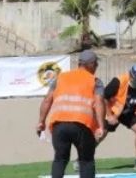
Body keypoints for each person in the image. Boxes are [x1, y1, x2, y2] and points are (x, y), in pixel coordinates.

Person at [37, 50, 108, 178]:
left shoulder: (60, 78)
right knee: (86, 160)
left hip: (59, 125)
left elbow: (47, 100)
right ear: (90, 64)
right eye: (96, 64)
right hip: (82, 125)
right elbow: (99, 103)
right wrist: (101, 126)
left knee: (60, 159)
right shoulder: (95, 81)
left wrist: (41, 122)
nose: (97, 66)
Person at [103, 64, 136, 173]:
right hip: (114, 110)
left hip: (130, 112)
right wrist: (110, 115)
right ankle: (83, 158)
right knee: (101, 133)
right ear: (131, 75)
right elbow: (104, 97)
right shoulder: (118, 81)